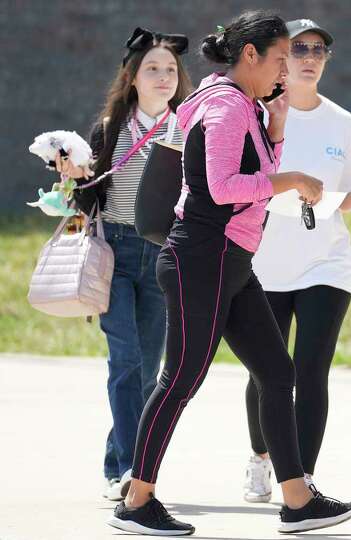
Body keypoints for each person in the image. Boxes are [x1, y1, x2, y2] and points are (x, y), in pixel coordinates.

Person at [106, 11, 351, 536]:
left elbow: (255, 170)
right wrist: (290, 178)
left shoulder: (244, 104)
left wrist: (279, 126)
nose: (285, 71)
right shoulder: (223, 106)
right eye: (279, 59)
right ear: (250, 56)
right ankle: (136, 501)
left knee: (277, 371)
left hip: (230, 261)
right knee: (181, 379)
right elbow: (222, 187)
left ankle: (296, 500)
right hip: (204, 258)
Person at [241, 18, 351, 503]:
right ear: (279, 58)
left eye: (319, 50)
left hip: (326, 264)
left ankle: (303, 482)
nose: (310, 56)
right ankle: (262, 458)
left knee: (311, 371)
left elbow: (350, 190)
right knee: (268, 373)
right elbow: (241, 186)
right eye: (299, 47)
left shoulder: (342, 122)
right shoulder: (255, 115)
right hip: (262, 264)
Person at [58, 26, 192, 501]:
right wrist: (73, 174)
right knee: (126, 359)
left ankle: (119, 457)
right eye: (152, 68)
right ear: (132, 77)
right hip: (112, 251)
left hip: (163, 252)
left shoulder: (189, 126)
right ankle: (133, 470)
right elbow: (88, 195)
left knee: (151, 365)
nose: (162, 76)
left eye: (170, 69)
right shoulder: (110, 127)